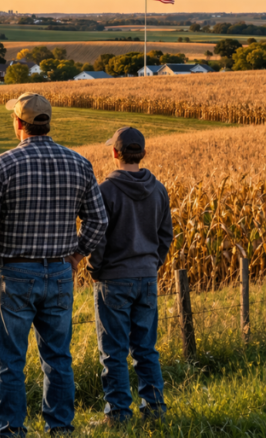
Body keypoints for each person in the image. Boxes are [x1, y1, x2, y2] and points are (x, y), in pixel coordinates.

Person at [0, 93, 108, 437]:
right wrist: (77, 255)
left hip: (15, 272)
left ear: (19, 124)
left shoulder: (2, 165)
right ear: (48, 122)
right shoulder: (79, 163)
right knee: (58, 358)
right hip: (60, 272)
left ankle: (10, 430)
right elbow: (98, 221)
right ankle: (61, 428)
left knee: (9, 361)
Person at [88, 127, 171, 425]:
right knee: (146, 348)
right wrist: (153, 263)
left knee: (113, 350)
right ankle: (154, 409)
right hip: (147, 278)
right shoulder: (159, 189)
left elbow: (97, 237)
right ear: (143, 153)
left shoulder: (104, 191)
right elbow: (166, 234)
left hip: (113, 278)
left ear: (114, 153)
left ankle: (118, 414)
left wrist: (95, 269)